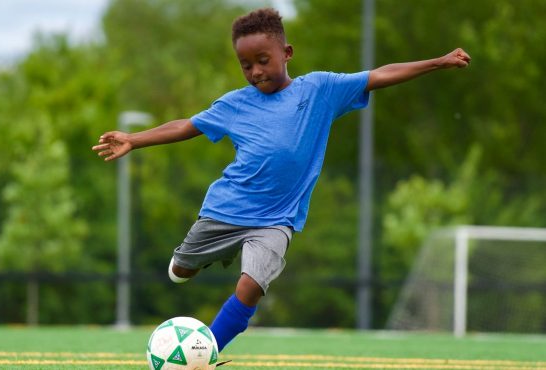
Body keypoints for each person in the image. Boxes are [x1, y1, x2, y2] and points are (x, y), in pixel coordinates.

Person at [92, 8, 470, 352]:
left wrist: (438, 62)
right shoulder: (235, 104)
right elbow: (186, 125)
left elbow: (379, 74)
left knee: (252, 285)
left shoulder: (320, 90)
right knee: (180, 273)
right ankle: (208, 255)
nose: (255, 71)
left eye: (262, 60)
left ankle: (206, 351)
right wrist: (133, 139)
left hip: (277, 220)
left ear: (286, 53)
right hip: (226, 209)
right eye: (245, 65)